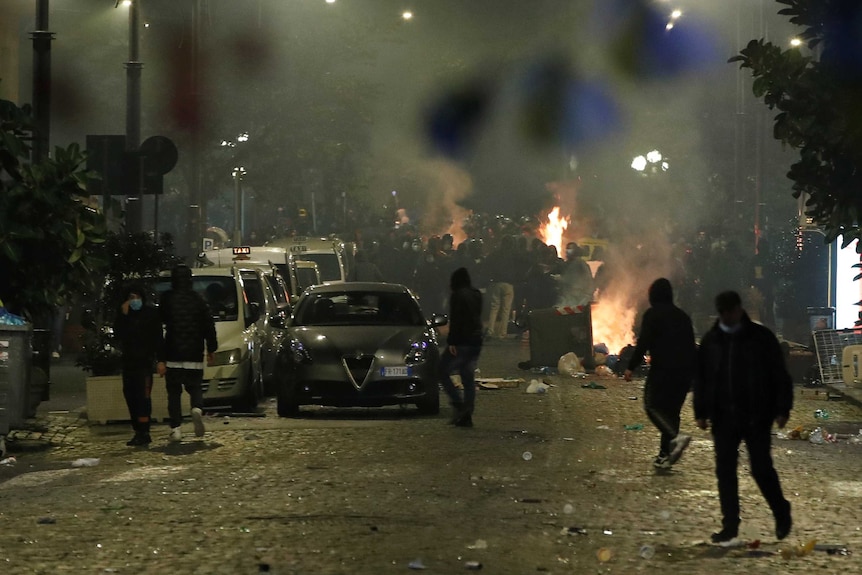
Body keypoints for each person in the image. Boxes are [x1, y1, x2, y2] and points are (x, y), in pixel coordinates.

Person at [694, 290, 793, 544]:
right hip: (724, 416)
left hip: (756, 415)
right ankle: (730, 525)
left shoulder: (760, 338)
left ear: (739, 309)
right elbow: (703, 378)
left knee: (761, 469)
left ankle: (781, 511)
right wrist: (701, 411)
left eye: (732, 311)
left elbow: (778, 374)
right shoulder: (712, 341)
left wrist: (783, 408)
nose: (728, 316)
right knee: (725, 471)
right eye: (724, 313)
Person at [624, 278, 696, 470]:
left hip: (664, 371)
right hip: (685, 373)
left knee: (652, 406)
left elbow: (643, 343)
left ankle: (675, 438)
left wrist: (630, 366)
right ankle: (664, 455)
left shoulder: (653, 315)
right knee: (672, 413)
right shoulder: (683, 316)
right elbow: (691, 347)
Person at [160, 265, 218, 443]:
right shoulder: (198, 300)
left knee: (174, 392)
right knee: (195, 387)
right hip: (194, 352)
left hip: (173, 353)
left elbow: (159, 326)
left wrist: (160, 357)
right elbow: (209, 325)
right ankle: (197, 409)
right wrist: (211, 348)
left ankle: (176, 429)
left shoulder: (167, 299)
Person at [113, 284, 165, 447]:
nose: (134, 301)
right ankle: (138, 431)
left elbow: (158, 339)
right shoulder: (124, 315)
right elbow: (119, 335)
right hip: (129, 363)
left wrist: (161, 360)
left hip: (144, 363)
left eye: (137, 297)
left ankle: (144, 431)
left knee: (143, 398)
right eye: (131, 298)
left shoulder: (150, 315)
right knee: (130, 397)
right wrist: (124, 315)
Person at [439, 267, 484, 427]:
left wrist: (452, 341)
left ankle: (458, 404)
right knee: (467, 376)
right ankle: (467, 412)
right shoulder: (477, 295)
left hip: (462, 341)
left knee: (442, 371)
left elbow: (457, 320)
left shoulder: (457, 296)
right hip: (476, 341)